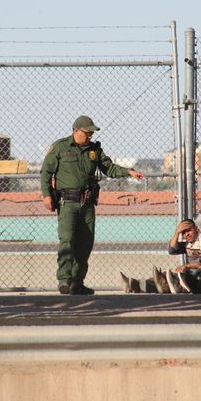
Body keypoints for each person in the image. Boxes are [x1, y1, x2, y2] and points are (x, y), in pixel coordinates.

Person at [41, 115, 144, 295]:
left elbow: (109, 167)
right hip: (67, 203)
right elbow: (45, 172)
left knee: (85, 243)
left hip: (87, 204)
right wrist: (46, 196)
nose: (89, 136)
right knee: (67, 240)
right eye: (86, 133)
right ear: (75, 130)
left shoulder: (94, 150)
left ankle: (77, 282)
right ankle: (64, 280)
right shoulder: (60, 147)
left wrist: (128, 172)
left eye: (91, 133)